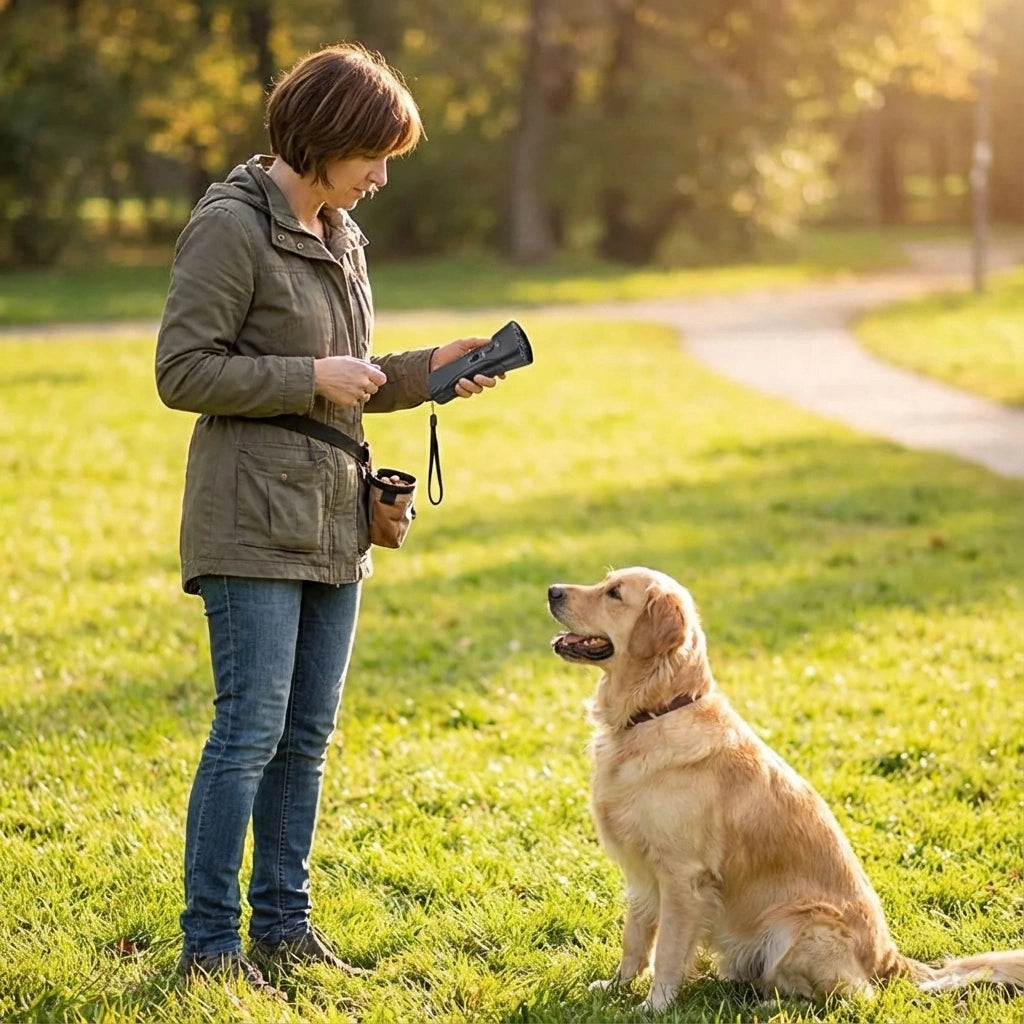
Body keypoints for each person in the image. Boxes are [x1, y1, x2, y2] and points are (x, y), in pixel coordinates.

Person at [155, 42, 500, 999]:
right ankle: (211, 945)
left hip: (330, 521)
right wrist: (307, 376)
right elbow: (182, 371)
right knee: (250, 731)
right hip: (248, 521)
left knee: (307, 735)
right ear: (323, 139)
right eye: (374, 155)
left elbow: (347, 383)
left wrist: (428, 368)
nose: (384, 177)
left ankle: (285, 928)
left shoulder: (339, 231)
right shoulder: (230, 226)